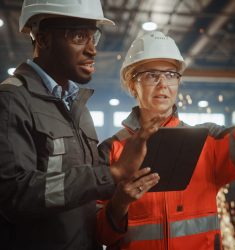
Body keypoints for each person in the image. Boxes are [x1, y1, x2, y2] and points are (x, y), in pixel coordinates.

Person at [96, 29, 235, 250]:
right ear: (133, 85)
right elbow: (99, 235)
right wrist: (119, 204)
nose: (163, 84)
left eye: (171, 75)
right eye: (151, 75)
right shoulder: (111, 151)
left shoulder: (206, 142)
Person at [0, 1, 162, 250]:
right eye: (78, 36)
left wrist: (121, 194)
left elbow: (85, 191)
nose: (92, 50)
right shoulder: (12, 100)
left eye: (93, 36)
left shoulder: (79, 107)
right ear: (42, 40)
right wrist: (112, 174)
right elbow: (14, 195)